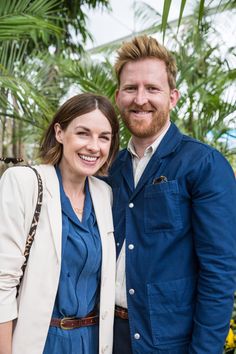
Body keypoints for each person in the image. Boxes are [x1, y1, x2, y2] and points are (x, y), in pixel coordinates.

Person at [106, 35, 236, 354]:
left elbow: (219, 271)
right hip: (107, 335)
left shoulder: (204, 164)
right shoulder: (110, 169)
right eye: (130, 88)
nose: (140, 99)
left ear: (173, 97)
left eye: (152, 89)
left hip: (169, 343)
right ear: (117, 95)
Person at [0, 92, 119, 354]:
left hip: (92, 342)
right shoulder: (24, 183)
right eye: (83, 133)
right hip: (40, 342)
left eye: (104, 137)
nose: (93, 146)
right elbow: (2, 283)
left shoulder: (104, 194)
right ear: (59, 132)